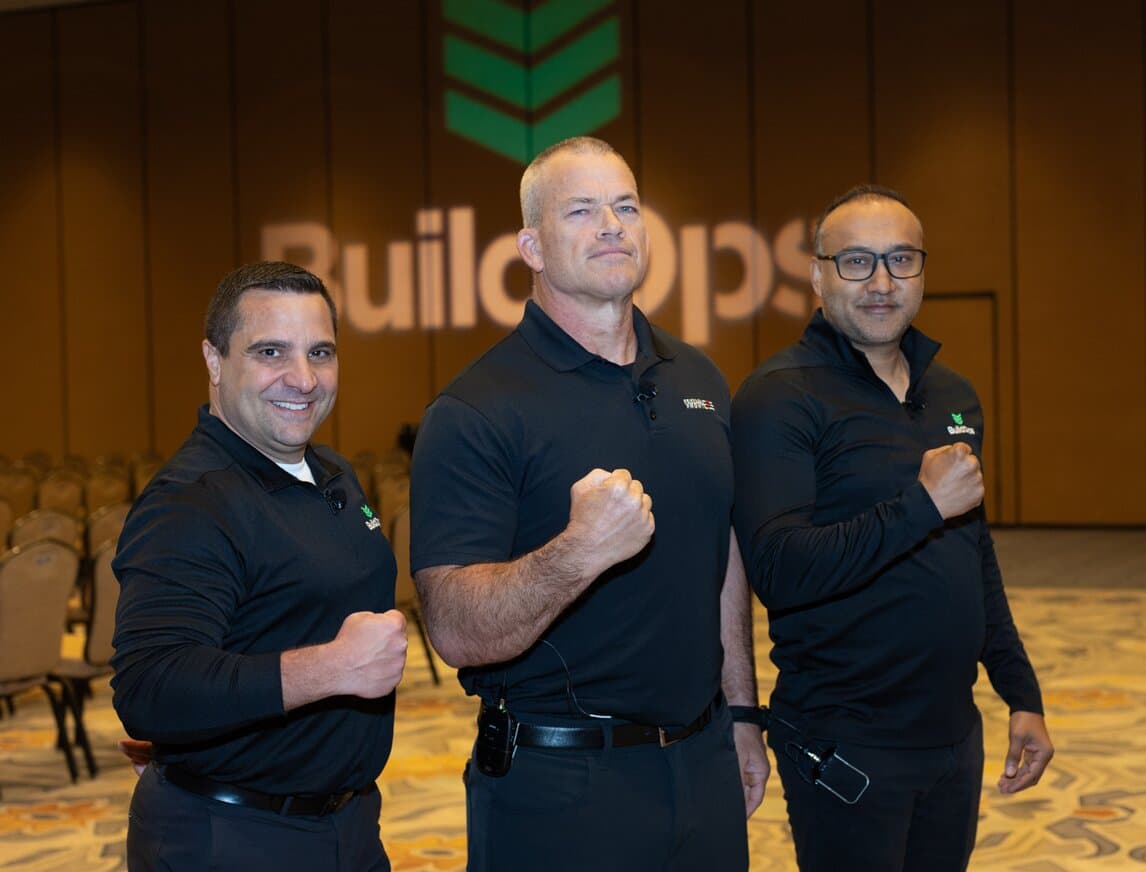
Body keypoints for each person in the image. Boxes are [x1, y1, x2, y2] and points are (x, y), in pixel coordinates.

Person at [408, 136, 768, 871]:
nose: (612, 224)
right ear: (532, 246)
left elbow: (720, 557)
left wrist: (741, 714)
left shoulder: (697, 376)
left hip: (702, 762)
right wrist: (577, 553)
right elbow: (453, 627)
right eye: (582, 209)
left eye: (626, 205)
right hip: (560, 784)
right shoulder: (476, 408)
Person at [731, 185, 1054, 871]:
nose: (881, 282)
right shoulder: (779, 397)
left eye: (900, 260)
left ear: (922, 272)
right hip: (846, 739)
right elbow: (780, 570)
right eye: (856, 262)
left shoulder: (953, 394)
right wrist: (920, 507)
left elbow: (974, 553)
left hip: (951, 733)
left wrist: (1020, 692)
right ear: (817, 276)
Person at [111, 261, 408, 871]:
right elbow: (148, 687)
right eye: (271, 351)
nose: (302, 378)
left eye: (320, 353)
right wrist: (330, 669)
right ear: (214, 361)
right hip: (235, 838)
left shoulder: (332, 473)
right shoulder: (191, 500)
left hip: (347, 825)